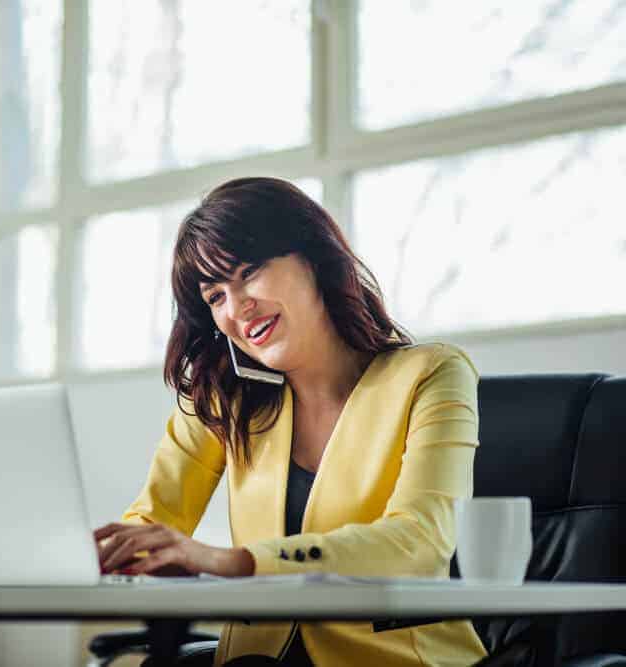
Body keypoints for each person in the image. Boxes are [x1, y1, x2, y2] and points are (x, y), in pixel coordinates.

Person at [94, 177, 488, 666]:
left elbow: (420, 544)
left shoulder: (429, 375)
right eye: (215, 296)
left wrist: (232, 562)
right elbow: (151, 526)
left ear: (313, 259)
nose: (237, 309)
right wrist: (102, 553)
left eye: (249, 273)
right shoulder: (225, 400)